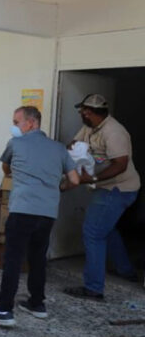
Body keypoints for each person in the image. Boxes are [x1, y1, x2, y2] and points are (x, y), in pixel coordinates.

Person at [0, 107, 79, 328]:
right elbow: (75, 180)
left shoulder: (16, 144)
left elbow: (5, 167)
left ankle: (3, 309)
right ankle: (37, 303)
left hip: (22, 209)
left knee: (13, 259)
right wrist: (59, 188)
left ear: (31, 123)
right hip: (47, 212)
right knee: (38, 258)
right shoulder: (59, 149)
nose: (14, 125)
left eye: (17, 121)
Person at [64, 94, 141, 300]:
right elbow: (73, 144)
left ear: (88, 112)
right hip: (105, 186)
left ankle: (94, 288)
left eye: (82, 111)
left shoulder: (114, 132)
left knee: (93, 232)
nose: (80, 114)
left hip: (118, 188)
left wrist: (92, 177)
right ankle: (125, 270)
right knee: (106, 228)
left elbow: (120, 164)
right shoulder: (90, 127)